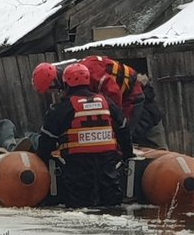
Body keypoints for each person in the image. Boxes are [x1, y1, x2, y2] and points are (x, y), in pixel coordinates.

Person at [36, 63, 134, 208]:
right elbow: (124, 130)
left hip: (77, 173)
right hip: (108, 172)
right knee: (112, 206)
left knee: (80, 208)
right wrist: (127, 155)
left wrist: (43, 158)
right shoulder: (107, 103)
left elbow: (46, 142)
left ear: (66, 83)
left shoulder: (62, 109)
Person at [33, 56, 145, 135]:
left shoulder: (90, 71)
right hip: (121, 95)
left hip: (131, 94)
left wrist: (113, 119)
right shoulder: (74, 82)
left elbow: (113, 93)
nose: (55, 93)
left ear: (54, 82)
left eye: (51, 90)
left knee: (121, 134)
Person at [133, 74, 168, 150]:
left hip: (156, 150)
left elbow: (138, 129)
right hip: (150, 147)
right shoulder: (148, 101)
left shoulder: (147, 105)